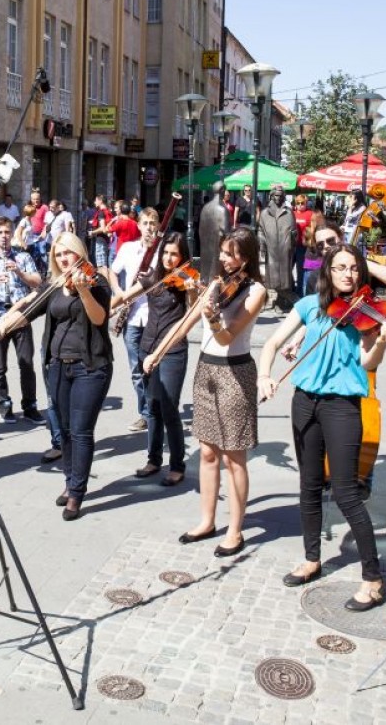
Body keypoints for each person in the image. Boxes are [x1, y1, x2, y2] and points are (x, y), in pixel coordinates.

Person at [258, 243, 386, 611]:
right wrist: (264, 377)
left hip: (342, 407)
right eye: (340, 268)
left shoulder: (365, 315)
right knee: (307, 486)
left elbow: (367, 362)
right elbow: (272, 343)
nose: (348, 274)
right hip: (304, 402)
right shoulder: (309, 306)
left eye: (353, 268)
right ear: (328, 271)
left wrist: (382, 345)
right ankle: (311, 558)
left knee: (346, 492)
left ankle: (373, 578)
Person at [147, 227, 266, 553]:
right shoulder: (215, 283)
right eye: (224, 252)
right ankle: (207, 520)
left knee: (234, 457)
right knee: (209, 452)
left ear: (247, 256)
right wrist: (157, 353)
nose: (225, 259)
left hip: (235, 373)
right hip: (206, 370)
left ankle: (236, 530)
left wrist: (213, 318)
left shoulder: (255, 291)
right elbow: (185, 322)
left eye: (232, 253)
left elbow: (227, 336)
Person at [0, 232, 112, 521]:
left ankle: (77, 493)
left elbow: (99, 318)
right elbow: (30, 312)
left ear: (79, 253)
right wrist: (4, 325)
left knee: (81, 430)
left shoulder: (96, 281)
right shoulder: (55, 285)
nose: (63, 258)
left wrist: (83, 291)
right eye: (58, 254)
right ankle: (71, 480)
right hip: (58, 365)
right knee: (66, 430)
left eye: (68, 253)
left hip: (90, 366)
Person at [114, 232, 199, 486]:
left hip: (172, 350)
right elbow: (127, 295)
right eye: (166, 253)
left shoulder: (187, 279)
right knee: (152, 407)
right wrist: (108, 303)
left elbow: (193, 311)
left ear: (182, 257)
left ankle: (177, 465)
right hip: (147, 346)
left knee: (170, 409)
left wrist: (193, 292)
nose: (169, 258)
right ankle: (153, 459)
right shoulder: (154, 275)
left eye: (174, 254)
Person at [0, 217, 46, 427]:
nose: (4, 237)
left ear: (12, 234)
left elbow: (38, 283)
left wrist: (18, 271)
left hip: (21, 317)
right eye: (0, 233)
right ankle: (4, 404)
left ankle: (30, 406)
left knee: (26, 364)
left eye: (7, 232)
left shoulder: (23, 256)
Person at [109, 207, 160, 434]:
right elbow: (112, 271)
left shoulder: (161, 251)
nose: (149, 227)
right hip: (131, 317)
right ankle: (145, 413)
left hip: (154, 317)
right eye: (146, 223)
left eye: (153, 223)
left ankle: (156, 411)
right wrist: (118, 292)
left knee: (152, 367)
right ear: (138, 225)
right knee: (135, 369)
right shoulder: (129, 248)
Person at [258, 184, 297, 311]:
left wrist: (292, 240)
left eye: (281, 196)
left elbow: (294, 230)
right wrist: (262, 244)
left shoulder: (289, 212)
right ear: (271, 195)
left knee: (284, 279)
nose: (278, 198)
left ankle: (281, 301)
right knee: (273, 279)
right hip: (272, 249)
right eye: (276, 195)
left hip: (285, 249)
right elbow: (260, 230)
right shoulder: (264, 213)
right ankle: (289, 300)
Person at [198, 182, 231, 281]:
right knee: (216, 276)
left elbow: (200, 229)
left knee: (204, 274)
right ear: (222, 191)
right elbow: (225, 232)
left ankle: (203, 291)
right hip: (217, 247)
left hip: (205, 246)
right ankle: (214, 294)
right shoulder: (222, 209)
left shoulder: (205, 208)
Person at [291, 194, 315, 293]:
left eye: (302, 203)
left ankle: (300, 290)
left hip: (303, 246)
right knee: (288, 268)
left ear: (306, 203)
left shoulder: (310, 214)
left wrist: (310, 242)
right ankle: (291, 287)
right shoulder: (291, 213)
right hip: (291, 246)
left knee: (300, 269)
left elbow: (313, 230)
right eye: (298, 203)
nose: (300, 205)